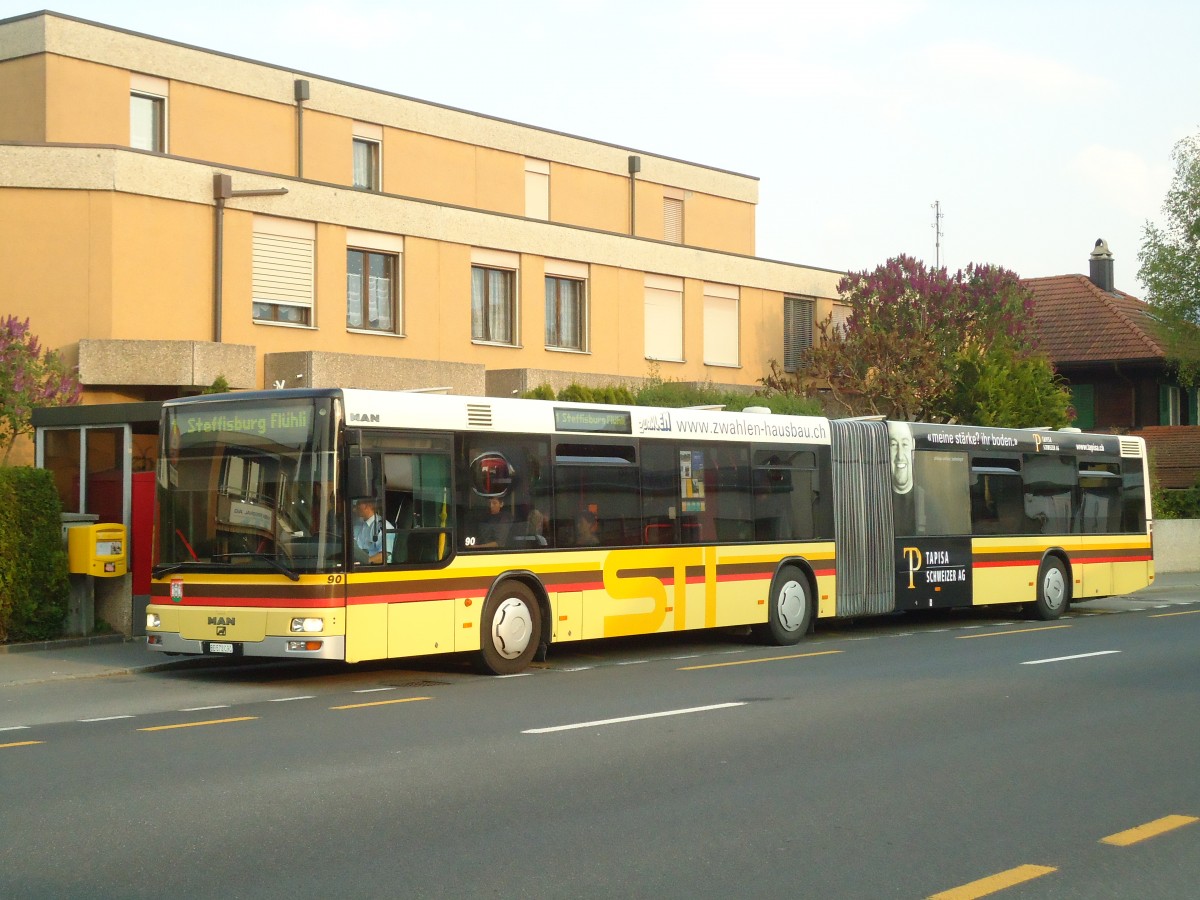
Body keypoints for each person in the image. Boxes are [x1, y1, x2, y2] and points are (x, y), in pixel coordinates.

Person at [353, 498, 384, 564]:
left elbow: (383, 557)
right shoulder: (358, 525)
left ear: (368, 505)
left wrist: (365, 561)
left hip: (373, 568)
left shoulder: (382, 526)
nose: (355, 509)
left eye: (358, 504)